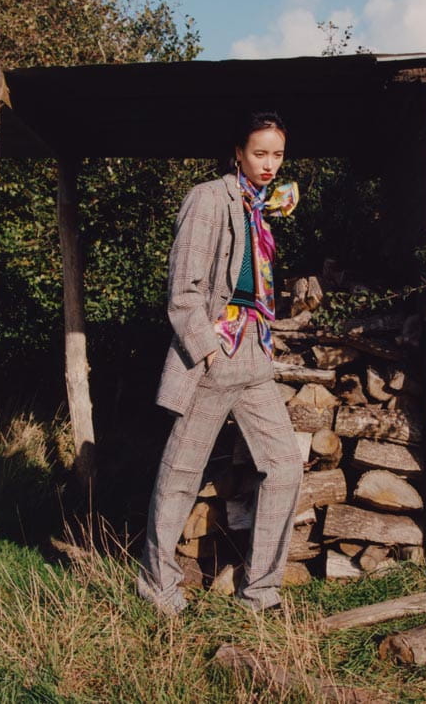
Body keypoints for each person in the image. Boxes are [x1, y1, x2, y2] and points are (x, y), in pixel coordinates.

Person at [138, 112, 304, 615]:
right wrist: (206, 347)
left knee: (286, 466)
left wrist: (261, 338)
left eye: (277, 154)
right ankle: (158, 589)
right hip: (215, 353)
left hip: (253, 352)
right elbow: (182, 289)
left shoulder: (260, 205)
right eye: (260, 153)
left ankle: (261, 592)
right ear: (237, 151)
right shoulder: (209, 198)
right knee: (180, 474)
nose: (270, 164)